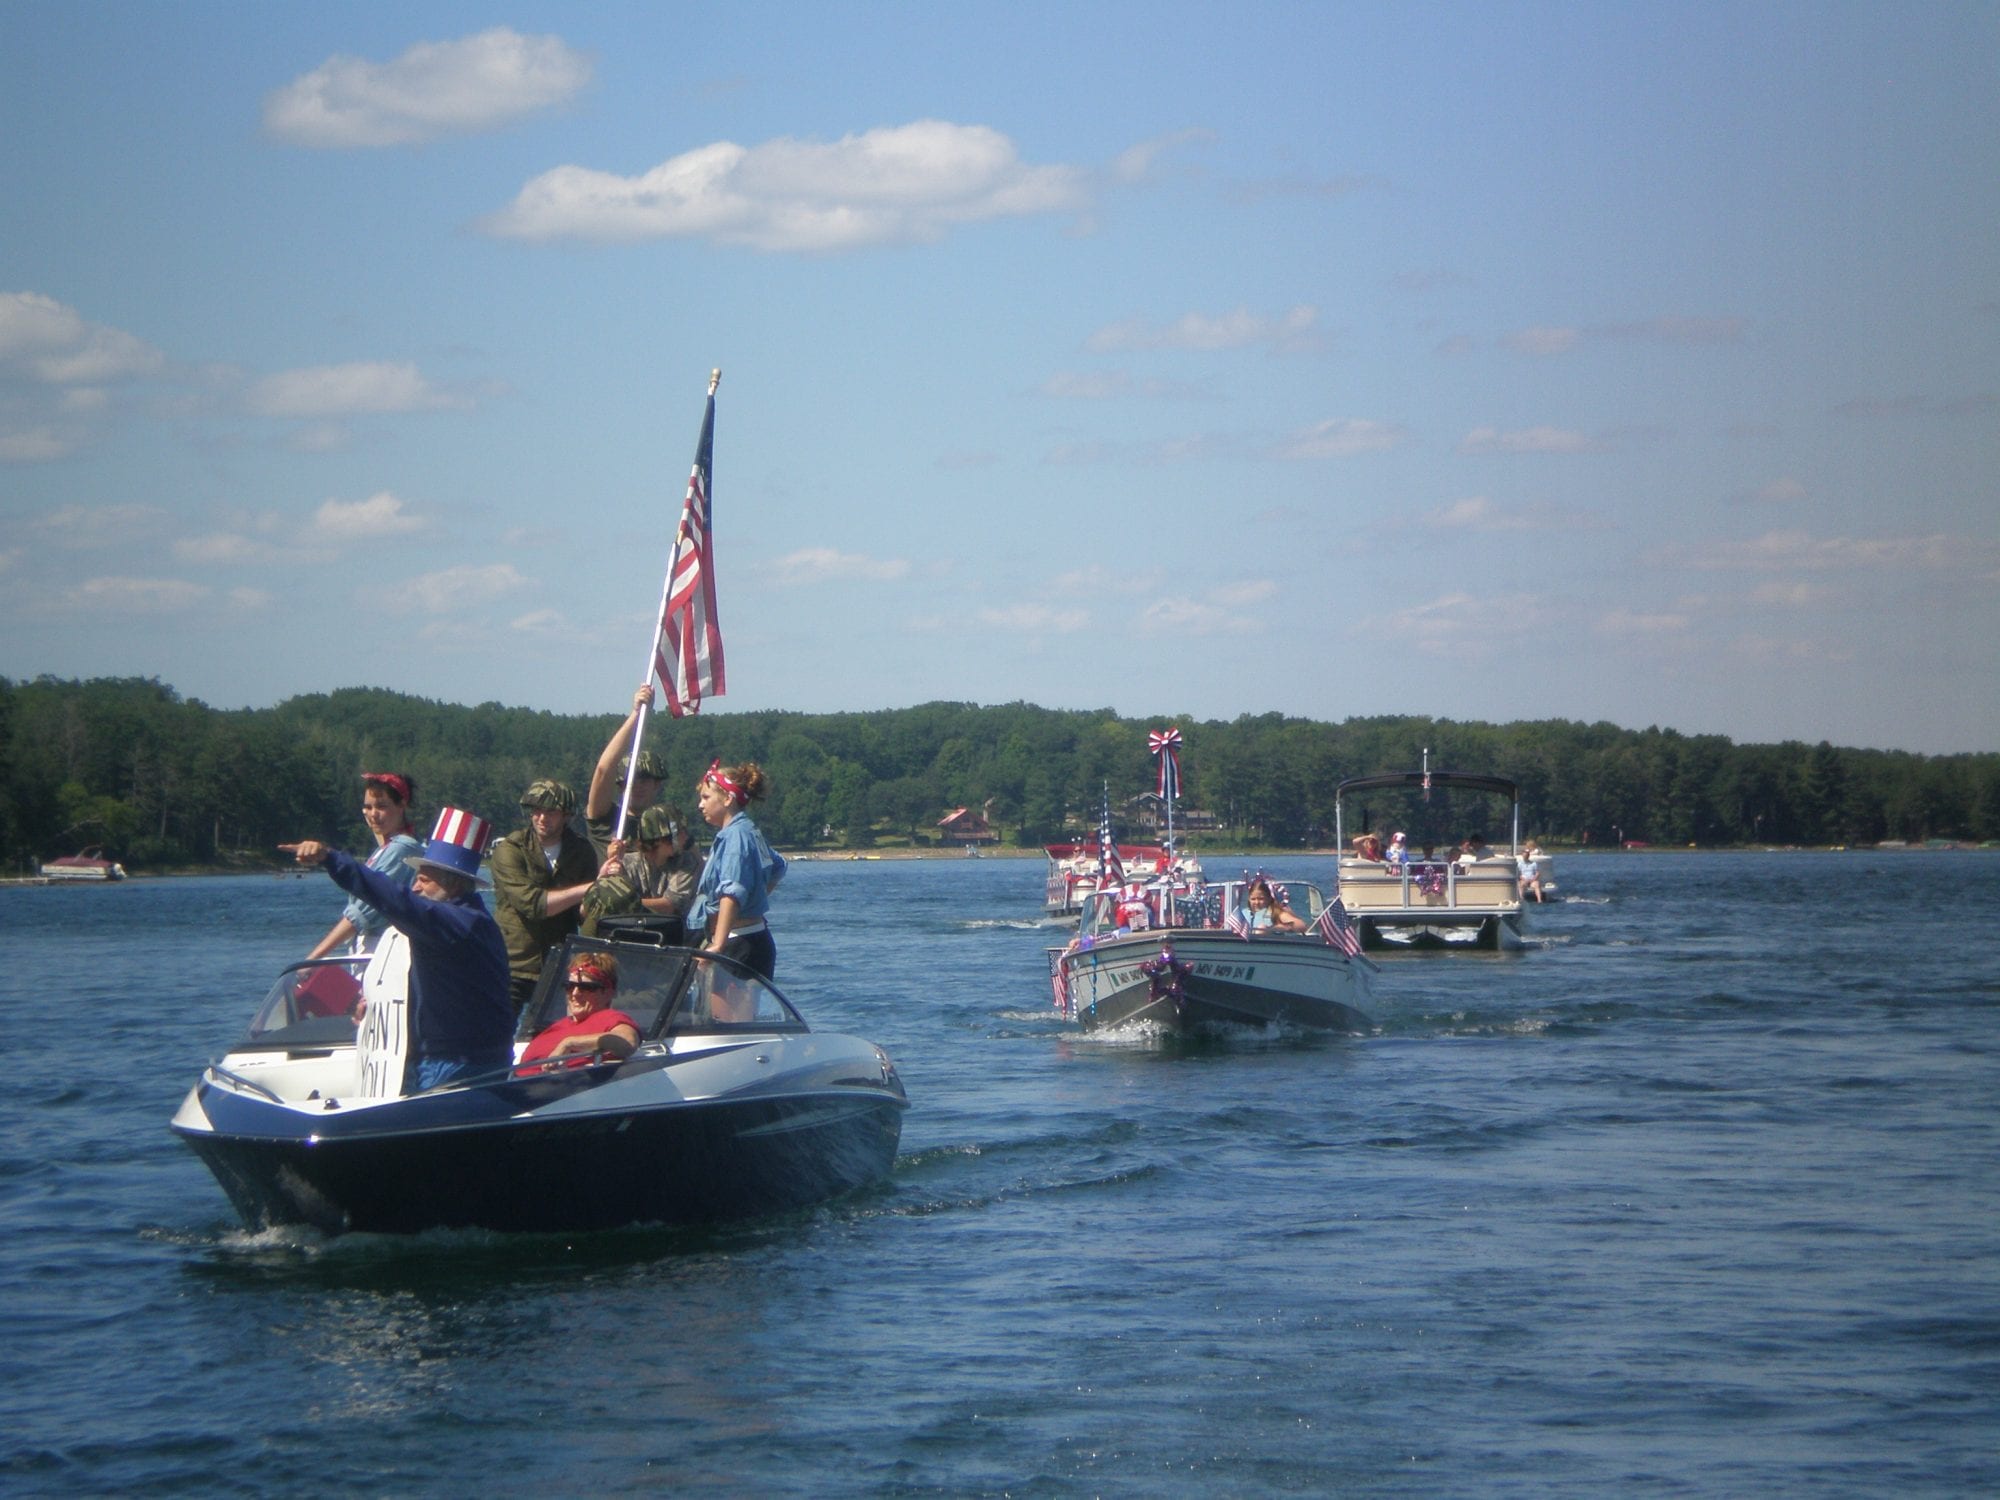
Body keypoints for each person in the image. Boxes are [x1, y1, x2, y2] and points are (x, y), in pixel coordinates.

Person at [281, 807, 514, 1091]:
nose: (414, 887)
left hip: (460, 1063)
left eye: (423, 880)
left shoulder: (457, 924)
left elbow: (394, 899)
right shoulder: (451, 926)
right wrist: (374, 1002)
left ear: (453, 884)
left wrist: (330, 858)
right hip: (445, 1057)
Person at [489, 779, 601, 1012]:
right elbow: (533, 904)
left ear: (566, 815)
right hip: (512, 963)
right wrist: (591, 887)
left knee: (553, 1032)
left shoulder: (581, 851)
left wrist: (602, 892)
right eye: (537, 811)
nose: (542, 818)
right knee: (498, 1029)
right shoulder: (511, 849)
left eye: (551, 812)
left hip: (558, 965)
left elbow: (584, 914)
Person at [303, 772, 423, 960]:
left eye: (382, 807)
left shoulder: (402, 848)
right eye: (367, 807)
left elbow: (362, 912)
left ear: (402, 806)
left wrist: (313, 958)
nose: (373, 814)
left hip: (382, 953)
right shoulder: (386, 848)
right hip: (373, 951)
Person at [687, 759, 786, 980]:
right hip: (751, 938)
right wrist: (755, 900)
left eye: (706, 797)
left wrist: (718, 944)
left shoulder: (735, 837)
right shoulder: (747, 831)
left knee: (726, 1006)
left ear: (728, 799)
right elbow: (778, 867)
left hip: (737, 943)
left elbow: (732, 891)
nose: (700, 805)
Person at [579, 803, 699, 937]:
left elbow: (669, 905)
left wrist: (621, 901)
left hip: (669, 936)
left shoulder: (686, 863)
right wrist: (613, 875)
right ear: (661, 840)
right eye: (680, 832)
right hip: (626, 934)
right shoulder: (627, 863)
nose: (686, 836)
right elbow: (587, 909)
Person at [585, 684, 669, 858]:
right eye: (630, 780)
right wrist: (636, 714)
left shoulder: (665, 825)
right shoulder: (604, 819)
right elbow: (603, 770)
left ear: (656, 785)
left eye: (644, 780)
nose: (637, 786)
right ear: (620, 785)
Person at [518, 951, 641, 1067]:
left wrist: (569, 1043)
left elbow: (627, 1042)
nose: (575, 993)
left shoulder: (610, 1018)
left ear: (608, 992)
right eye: (570, 986)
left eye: (586, 987)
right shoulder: (558, 1025)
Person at [1242, 878, 1309, 934]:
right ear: (1249, 899)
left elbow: (1302, 926)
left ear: (1268, 898)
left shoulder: (1275, 913)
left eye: (1261, 899)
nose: (1257, 902)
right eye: (1253, 899)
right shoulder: (1243, 913)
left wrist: (1272, 929)